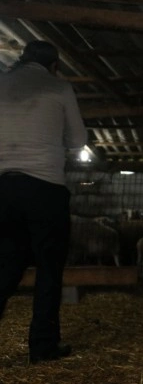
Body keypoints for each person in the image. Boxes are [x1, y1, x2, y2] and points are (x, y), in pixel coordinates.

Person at [0, 40, 87, 363]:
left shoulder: (2, 83)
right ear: (54, 66)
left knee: (6, 265)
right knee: (49, 269)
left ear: (23, 59)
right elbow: (78, 140)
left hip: (3, 187)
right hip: (45, 187)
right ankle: (43, 345)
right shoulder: (59, 88)